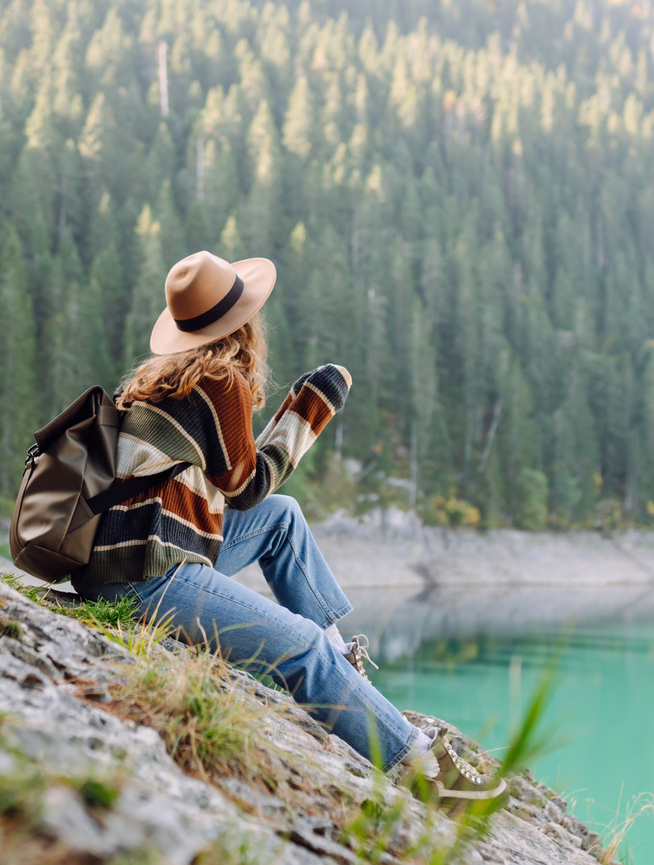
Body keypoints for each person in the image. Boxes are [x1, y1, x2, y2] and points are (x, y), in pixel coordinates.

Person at [71, 249, 509, 809]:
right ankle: (418, 765)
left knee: (283, 518)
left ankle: (340, 665)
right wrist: (310, 408)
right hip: (145, 575)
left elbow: (246, 495)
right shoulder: (217, 381)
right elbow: (248, 485)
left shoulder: (160, 381)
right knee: (299, 648)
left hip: (120, 560)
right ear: (243, 323)